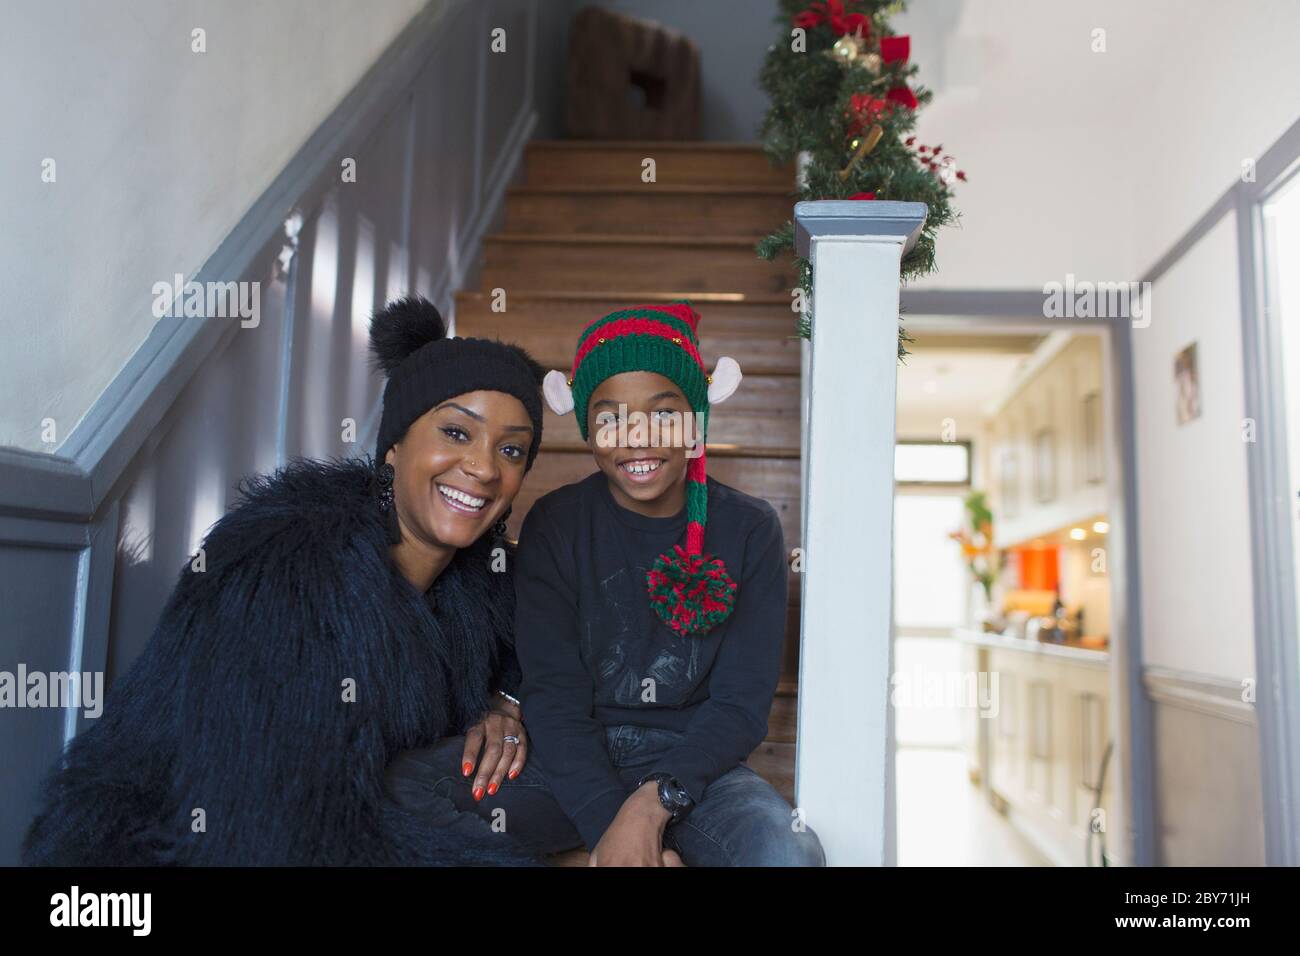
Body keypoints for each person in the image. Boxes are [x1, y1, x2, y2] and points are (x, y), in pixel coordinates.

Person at [23, 295, 550, 866]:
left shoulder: (482, 579)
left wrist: (504, 699)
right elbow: (278, 834)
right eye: (455, 433)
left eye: (512, 449)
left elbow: (549, 641)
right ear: (394, 447)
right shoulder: (291, 573)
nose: (484, 467)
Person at [512, 301, 827, 866]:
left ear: (696, 420)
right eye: (609, 417)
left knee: (788, 852)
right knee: (408, 796)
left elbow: (740, 705)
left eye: (663, 414)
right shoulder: (555, 524)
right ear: (587, 428)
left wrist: (651, 807)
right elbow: (554, 698)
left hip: (699, 769)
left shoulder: (751, 529)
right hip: (578, 759)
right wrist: (614, 832)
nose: (637, 436)